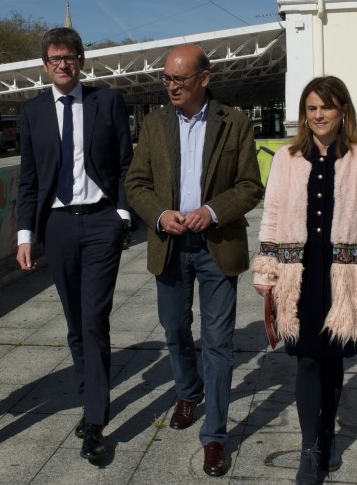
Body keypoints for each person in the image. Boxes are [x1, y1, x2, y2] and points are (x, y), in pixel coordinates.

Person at [125, 44, 264, 477]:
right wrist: (161, 215)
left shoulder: (235, 124)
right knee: (174, 329)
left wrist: (213, 210)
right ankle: (188, 390)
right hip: (170, 244)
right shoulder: (153, 123)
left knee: (219, 343)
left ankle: (216, 435)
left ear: (204, 78)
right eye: (166, 79)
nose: (171, 86)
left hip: (216, 246)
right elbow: (136, 183)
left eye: (179, 79)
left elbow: (249, 186)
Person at [251, 76, 357, 484]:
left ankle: (327, 437)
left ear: (342, 109)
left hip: (347, 275)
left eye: (325, 107)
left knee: (333, 361)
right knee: (307, 360)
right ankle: (310, 450)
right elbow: (272, 214)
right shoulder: (287, 158)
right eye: (311, 108)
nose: (318, 115)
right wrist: (266, 268)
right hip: (301, 273)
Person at [15, 27, 133, 464]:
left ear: (81, 61)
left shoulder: (107, 101)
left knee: (94, 318)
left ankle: (96, 422)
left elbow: (125, 162)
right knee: (74, 321)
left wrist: (122, 214)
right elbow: (29, 178)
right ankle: (91, 401)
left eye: (70, 57)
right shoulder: (32, 112)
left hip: (102, 221)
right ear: (44, 66)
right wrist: (25, 233)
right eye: (54, 58)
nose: (62, 64)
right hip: (58, 225)